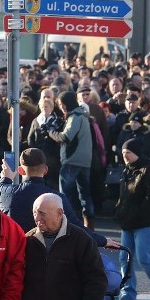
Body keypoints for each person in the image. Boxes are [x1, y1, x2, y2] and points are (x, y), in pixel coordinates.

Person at [114, 138, 150, 300]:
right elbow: (124, 196)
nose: (125, 156)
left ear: (136, 153)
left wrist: (136, 213)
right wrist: (120, 211)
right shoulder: (127, 170)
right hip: (127, 221)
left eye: (128, 153)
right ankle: (128, 293)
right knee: (124, 257)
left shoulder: (147, 170)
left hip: (144, 222)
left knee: (144, 257)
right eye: (123, 153)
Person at [55, 91, 95, 226]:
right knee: (85, 195)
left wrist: (52, 133)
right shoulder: (84, 116)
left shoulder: (75, 117)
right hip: (85, 161)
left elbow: (66, 137)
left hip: (72, 160)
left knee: (65, 195)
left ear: (65, 104)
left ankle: (67, 223)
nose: (61, 107)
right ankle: (89, 224)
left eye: (61, 104)